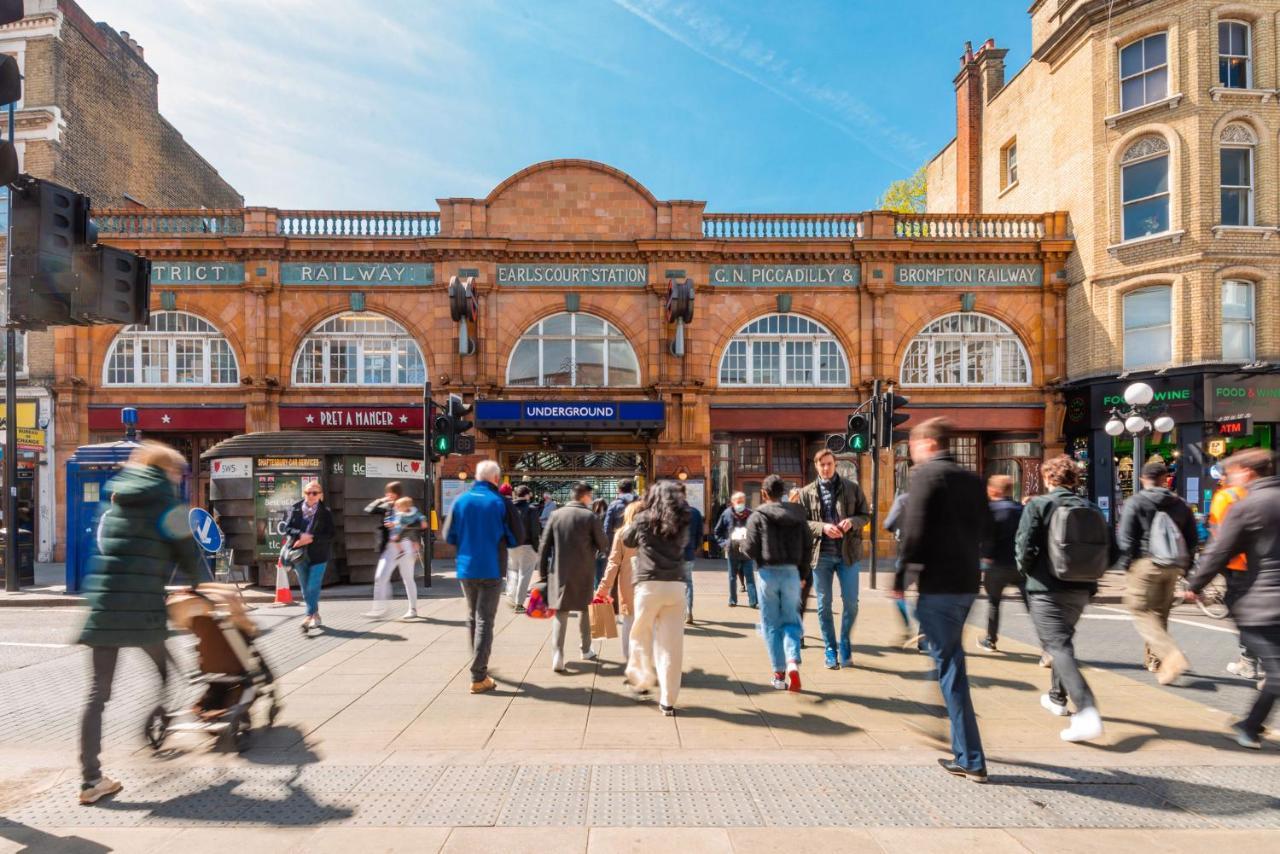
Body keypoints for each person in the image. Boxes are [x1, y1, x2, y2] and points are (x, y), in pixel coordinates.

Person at [77, 442, 203, 805]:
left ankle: (90, 780)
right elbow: (189, 554)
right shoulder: (168, 503)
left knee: (97, 695)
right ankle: (160, 716)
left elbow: (108, 547)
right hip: (143, 609)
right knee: (169, 673)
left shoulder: (117, 498)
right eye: (178, 472)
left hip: (104, 606)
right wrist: (201, 585)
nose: (179, 477)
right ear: (168, 472)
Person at [897, 418, 992, 783]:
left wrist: (901, 577)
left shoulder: (926, 476)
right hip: (967, 585)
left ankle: (970, 757)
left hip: (937, 586)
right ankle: (955, 739)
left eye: (913, 448)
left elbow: (914, 530)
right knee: (947, 660)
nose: (912, 455)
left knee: (950, 667)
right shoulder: (972, 479)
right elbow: (987, 529)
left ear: (928, 444)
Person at [1016, 456, 1116, 743]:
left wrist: (1027, 572)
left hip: (1046, 588)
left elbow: (1024, 546)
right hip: (1081, 587)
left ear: (1049, 479)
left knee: (1057, 645)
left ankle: (1086, 710)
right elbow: (1112, 551)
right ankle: (1057, 697)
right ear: (1073, 481)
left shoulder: (1039, 505)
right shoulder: (1092, 508)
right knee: (1063, 643)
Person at [1187, 449, 1280, 749]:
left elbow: (1220, 550)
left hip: (1264, 600)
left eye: (1231, 474)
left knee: (1277, 670)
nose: (1228, 480)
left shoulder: (1247, 504)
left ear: (1247, 472)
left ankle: (1251, 727)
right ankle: (1251, 724)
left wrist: (1195, 584)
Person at [1117, 460, 1199, 684]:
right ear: (1165, 479)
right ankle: (1156, 661)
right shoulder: (1180, 504)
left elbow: (1126, 539)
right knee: (1160, 614)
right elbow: (1192, 539)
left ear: (1143, 479)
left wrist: (1127, 567)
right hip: (1173, 566)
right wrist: (1187, 568)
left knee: (1140, 610)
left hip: (1147, 563)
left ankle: (1170, 655)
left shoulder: (1136, 502)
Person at [446, 460, 517, 694]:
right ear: (496, 479)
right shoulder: (500, 503)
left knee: (472, 616)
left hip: (466, 568)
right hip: (492, 568)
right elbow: (517, 536)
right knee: (485, 619)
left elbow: (449, 535)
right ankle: (478, 676)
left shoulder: (460, 500)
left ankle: (478, 665)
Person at [623, 481, 691, 715]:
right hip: (675, 585)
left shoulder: (643, 519)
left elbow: (627, 540)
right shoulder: (682, 521)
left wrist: (641, 511)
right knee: (671, 647)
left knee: (640, 634)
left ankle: (642, 678)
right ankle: (668, 701)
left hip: (649, 584)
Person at [799, 449, 871, 669]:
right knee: (823, 605)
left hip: (848, 554)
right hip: (821, 556)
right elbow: (802, 523)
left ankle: (845, 642)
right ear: (816, 466)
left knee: (851, 603)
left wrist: (852, 522)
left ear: (835, 465)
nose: (826, 468)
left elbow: (865, 515)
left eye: (830, 464)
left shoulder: (852, 488)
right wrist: (823, 527)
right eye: (822, 465)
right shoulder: (806, 492)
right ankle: (830, 648)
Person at [743, 475, 812, 692]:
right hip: (792, 572)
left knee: (771, 625)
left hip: (767, 574)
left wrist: (741, 546)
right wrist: (803, 574)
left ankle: (779, 674)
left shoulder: (757, 516)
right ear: (783, 492)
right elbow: (808, 547)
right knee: (791, 621)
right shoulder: (798, 516)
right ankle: (792, 660)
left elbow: (751, 549)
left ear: (764, 493)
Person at [539, 481, 611, 672]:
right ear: (585, 496)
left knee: (560, 612)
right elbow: (604, 544)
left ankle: (557, 654)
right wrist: (594, 551)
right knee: (585, 610)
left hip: (559, 570)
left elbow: (544, 547)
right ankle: (586, 649)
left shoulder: (556, 515)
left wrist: (543, 575)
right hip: (584, 571)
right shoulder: (590, 517)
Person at [1209, 461, 1260, 680]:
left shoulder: (1226, 497)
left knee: (1246, 616)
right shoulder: (1264, 494)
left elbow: (1221, 537)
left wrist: (1204, 573)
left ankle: (1249, 662)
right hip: (1265, 564)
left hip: (1239, 566)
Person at [979, 475, 1027, 653]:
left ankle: (990, 640)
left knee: (993, 603)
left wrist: (985, 556)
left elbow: (987, 537)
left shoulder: (990, 510)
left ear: (994, 490)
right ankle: (1048, 645)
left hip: (996, 565)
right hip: (1019, 565)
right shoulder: (1019, 509)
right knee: (1032, 606)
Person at [364, 483, 424, 621]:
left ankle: (412, 609)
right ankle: (379, 609)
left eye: (389, 493)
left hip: (406, 546)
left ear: (396, 493)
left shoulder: (407, 506)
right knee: (380, 577)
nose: (387, 495)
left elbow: (416, 525)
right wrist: (381, 500)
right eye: (386, 493)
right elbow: (368, 510)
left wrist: (400, 527)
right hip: (390, 546)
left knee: (407, 578)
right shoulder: (387, 507)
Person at [596, 499, 644, 660]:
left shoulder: (622, 533)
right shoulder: (655, 532)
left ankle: (630, 659)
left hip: (628, 583)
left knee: (629, 621)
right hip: (650, 583)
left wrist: (603, 587)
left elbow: (613, 563)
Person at [286, 480, 336, 634]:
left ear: (320, 495)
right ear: (304, 494)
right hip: (298, 554)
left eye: (315, 493)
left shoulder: (326, 512)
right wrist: (300, 535)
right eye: (308, 492)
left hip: (319, 554)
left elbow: (331, 534)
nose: (311, 496)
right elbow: (286, 528)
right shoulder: (294, 509)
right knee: (305, 586)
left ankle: (309, 615)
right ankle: (315, 614)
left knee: (313, 585)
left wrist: (311, 537)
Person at [714, 492, 758, 608]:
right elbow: (717, 531)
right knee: (732, 577)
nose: (740, 504)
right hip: (732, 550)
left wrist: (752, 543)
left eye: (742, 501)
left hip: (746, 551)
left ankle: (753, 601)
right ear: (733, 502)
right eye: (738, 502)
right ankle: (733, 600)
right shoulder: (727, 514)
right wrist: (724, 543)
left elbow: (757, 531)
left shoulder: (751, 514)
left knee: (750, 577)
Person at [505, 484, 543, 611]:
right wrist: (537, 548)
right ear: (527, 495)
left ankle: (511, 597)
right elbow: (535, 531)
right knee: (524, 574)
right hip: (527, 546)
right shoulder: (531, 509)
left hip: (511, 546)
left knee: (513, 572)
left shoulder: (508, 508)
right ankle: (519, 603)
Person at [682, 495, 704, 625]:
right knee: (688, 583)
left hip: (673, 554)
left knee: (674, 583)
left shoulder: (672, 512)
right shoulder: (695, 513)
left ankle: (678, 611)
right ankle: (688, 611)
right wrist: (695, 547)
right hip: (689, 552)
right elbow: (700, 533)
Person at [603, 478, 638, 546]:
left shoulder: (614, 504)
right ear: (631, 489)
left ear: (618, 489)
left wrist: (610, 545)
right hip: (636, 542)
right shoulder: (639, 503)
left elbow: (607, 527)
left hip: (619, 541)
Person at [591, 497, 610, 586]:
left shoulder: (593, 517)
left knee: (597, 571)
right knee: (603, 569)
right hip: (606, 547)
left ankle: (597, 587)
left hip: (596, 549)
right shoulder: (608, 516)